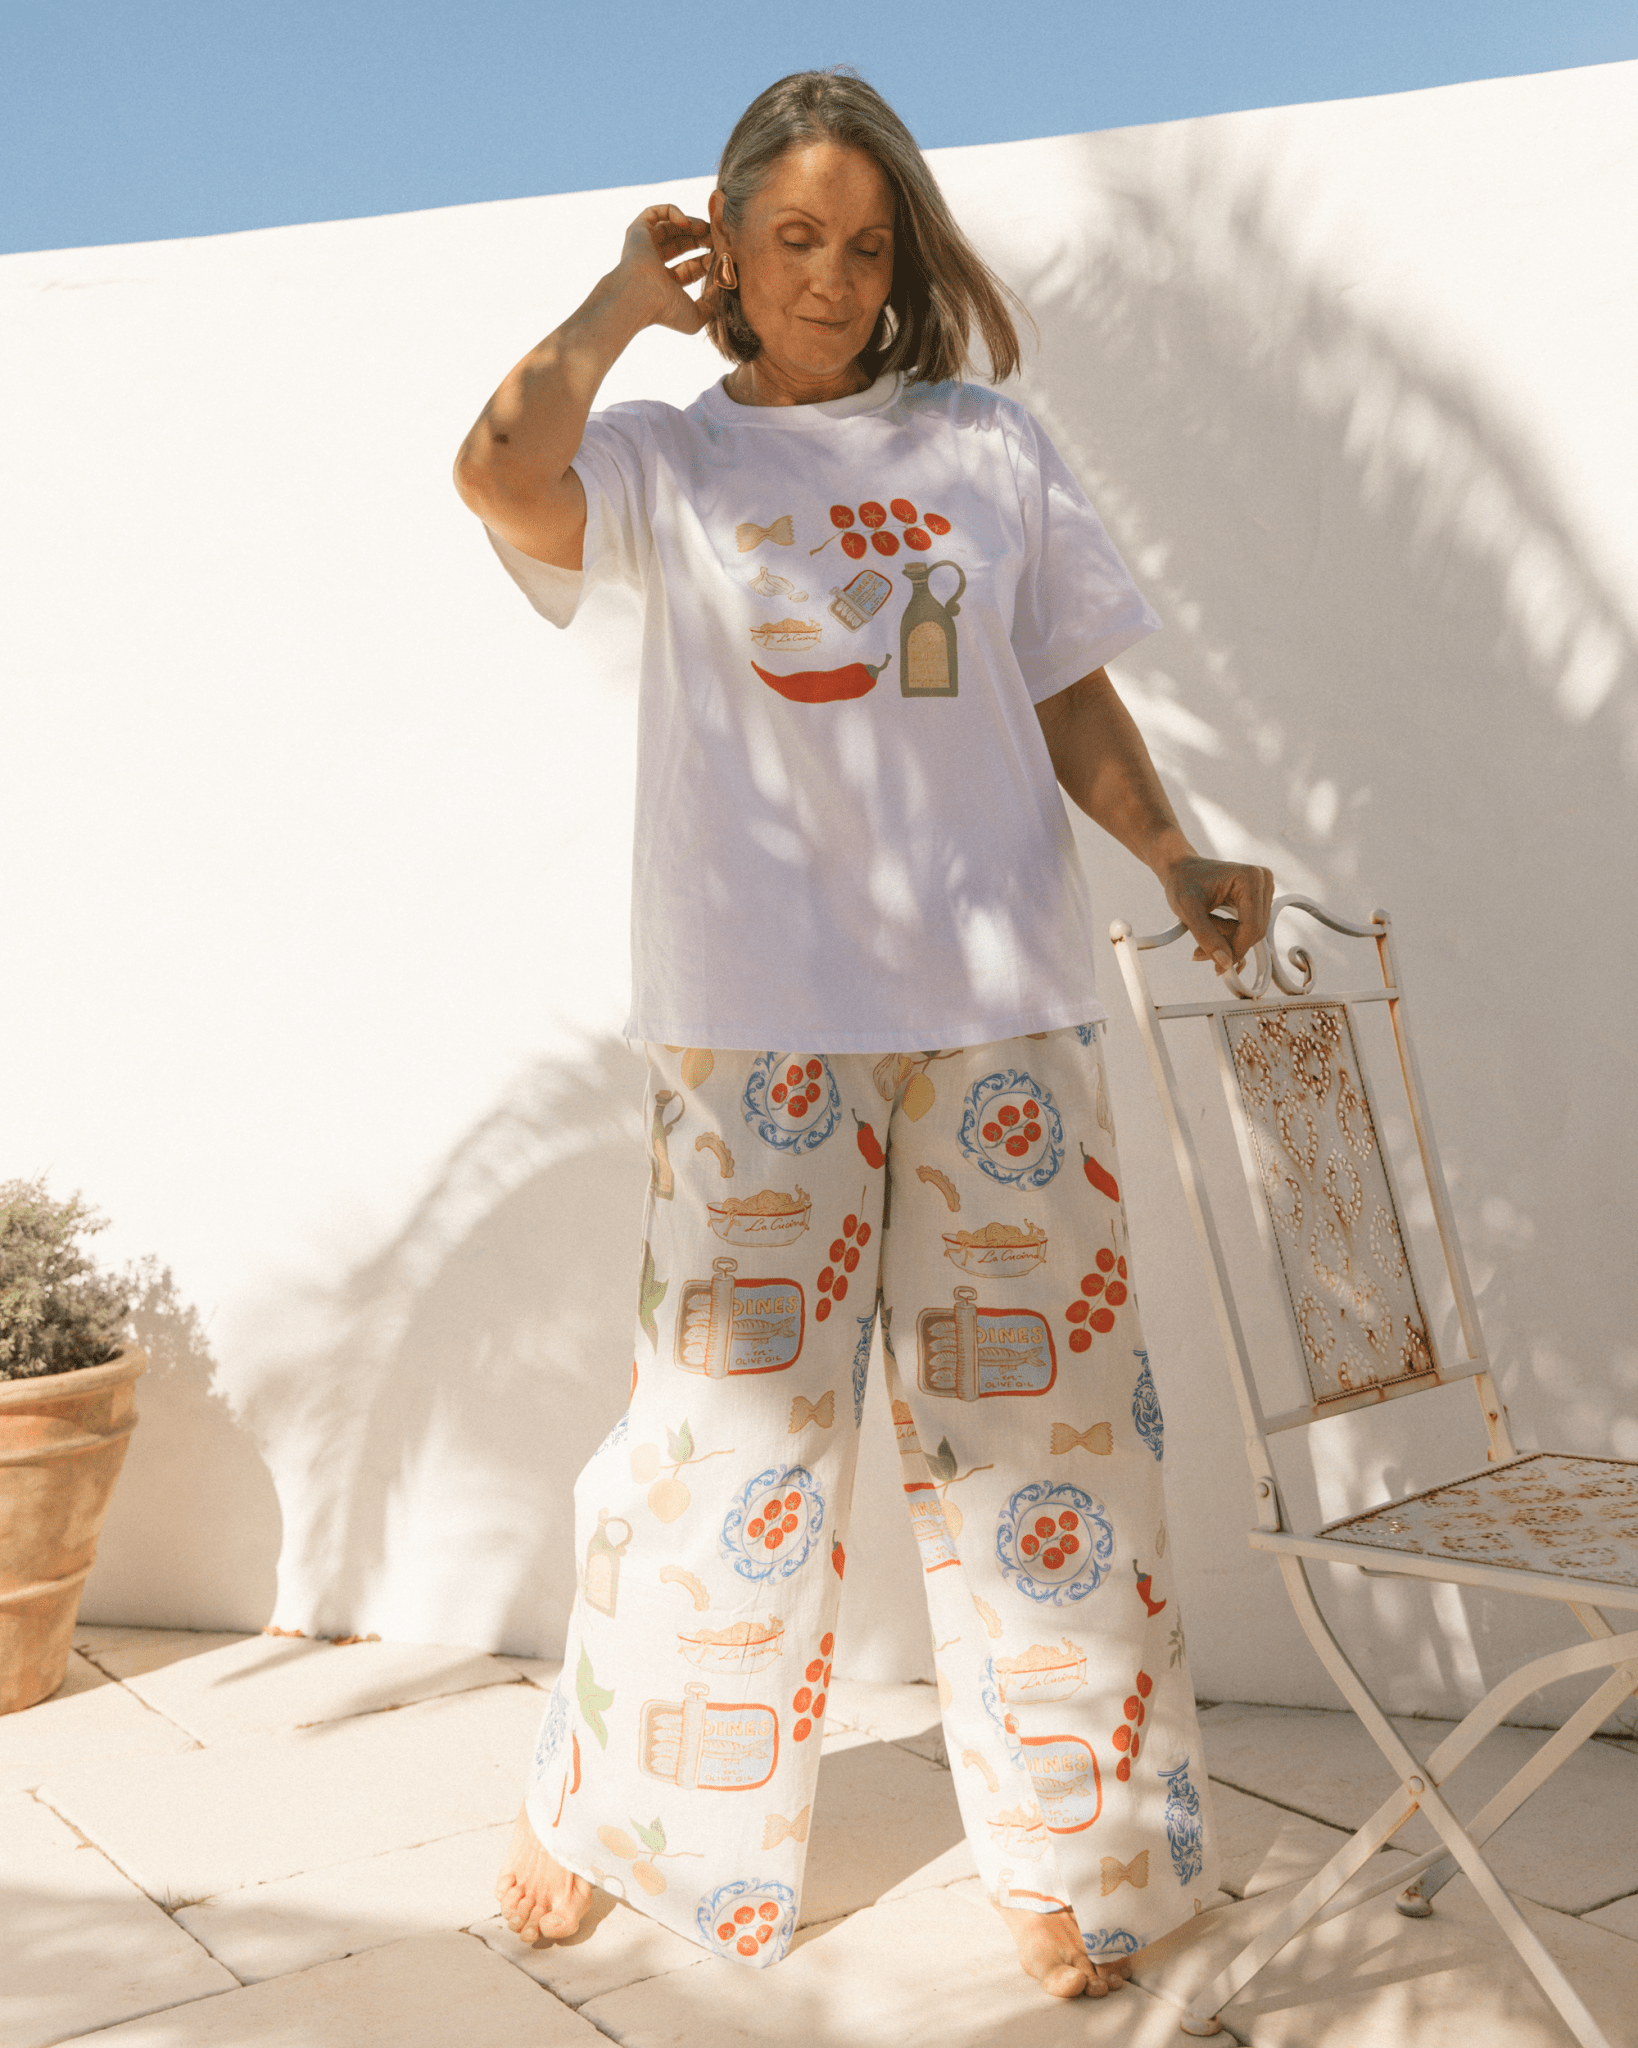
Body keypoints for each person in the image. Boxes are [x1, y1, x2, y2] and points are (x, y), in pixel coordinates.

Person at [453, 69, 1271, 2003]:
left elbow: (1061, 692)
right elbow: (497, 475)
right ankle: (614, 1812)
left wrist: (1170, 853)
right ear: (727, 248)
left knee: (1049, 1451)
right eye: (793, 238)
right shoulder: (669, 457)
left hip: (1000, 1021)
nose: (830, 277)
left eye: (866, 242)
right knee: (714, 1450)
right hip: (757, 1026)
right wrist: (612, 307)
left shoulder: (983, 443)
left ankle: (1081, 1854)